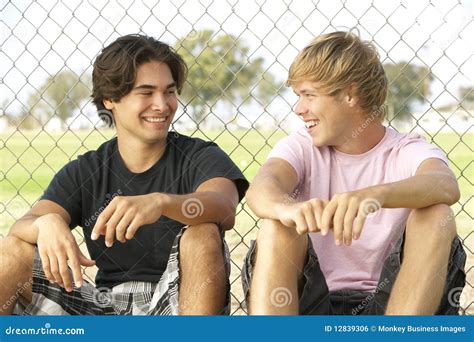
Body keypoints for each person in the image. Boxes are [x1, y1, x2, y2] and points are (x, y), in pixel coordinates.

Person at [0, 34, 249, 315]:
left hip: (175, 306)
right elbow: (24, 225)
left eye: (169, 91)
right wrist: (45, 223)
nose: (162, 105)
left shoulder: (199, 156)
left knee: (202, 232)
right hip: (103, 308)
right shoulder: (88, 169)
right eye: (146, 92)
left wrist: (160, 203)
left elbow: (224, 208)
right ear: (110, 99)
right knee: (12, 250)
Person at [242, 31, 466, 315]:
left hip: (392, 304)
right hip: (309, 301)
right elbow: (262, 187)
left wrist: (375, 195)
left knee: (436, 214)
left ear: (350, 94)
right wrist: (287, 210)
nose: (299, 109)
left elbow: (445, 184)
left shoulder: (406, 150)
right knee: (276, 224)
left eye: (309, 95)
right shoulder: (302, 146)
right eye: (298, 96)